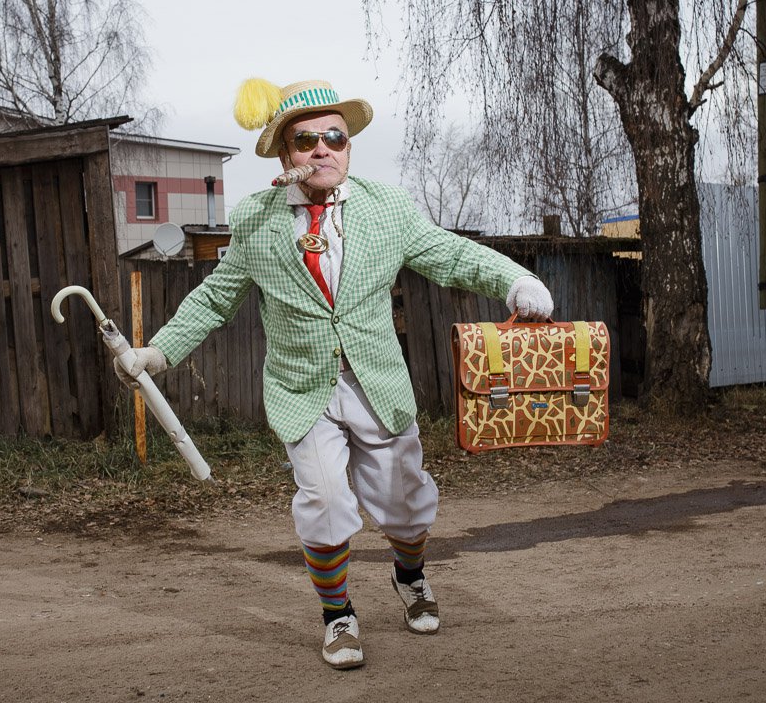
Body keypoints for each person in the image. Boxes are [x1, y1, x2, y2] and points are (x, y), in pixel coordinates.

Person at [116, 78, 554, 670]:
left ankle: (410, 575)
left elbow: (450, 254)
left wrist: (514, 280)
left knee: (404, 503)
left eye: (335, 137)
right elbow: (215, 298)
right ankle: (338, 616)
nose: (322, 148)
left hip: (377, 384)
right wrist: (158, 353)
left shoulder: (386, 207)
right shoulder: (256, 220)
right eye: (306, 140)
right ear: (284, 154)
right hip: (303, 391)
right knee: (323, 501)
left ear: (348, 147)